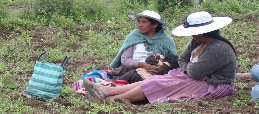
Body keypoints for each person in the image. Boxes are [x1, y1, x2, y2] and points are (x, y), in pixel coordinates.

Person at [83, 11, 238, 103]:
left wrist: (193, 70)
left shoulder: (218, 49)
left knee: (159, 84)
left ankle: (112, 99)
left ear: (204, 31)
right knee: (152, 80)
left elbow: (194, 71)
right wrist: (189, 69)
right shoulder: (197, 41)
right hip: (192, 76)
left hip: (214, 84)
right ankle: (106, 91)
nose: (191, 34)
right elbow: (182, 60)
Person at [110, 10, 177, 74]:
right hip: (133, 70)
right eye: (139, 21)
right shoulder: (134, 37)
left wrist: (160, 68)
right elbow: (125, 59)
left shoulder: (166, 40)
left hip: (157, 73)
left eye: (144, 22)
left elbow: (172, 61)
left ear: (155, 25)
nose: (140, 25)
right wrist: (142, 65)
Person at [111, 54, 179, 84]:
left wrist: (155, 56)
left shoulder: (160, 63)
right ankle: (116, 77)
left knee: (128, 74)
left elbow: (148, 59)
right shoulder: (169, 70)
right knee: (129, 73)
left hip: (140, 74)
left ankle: (114, 81)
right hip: (145, 80)